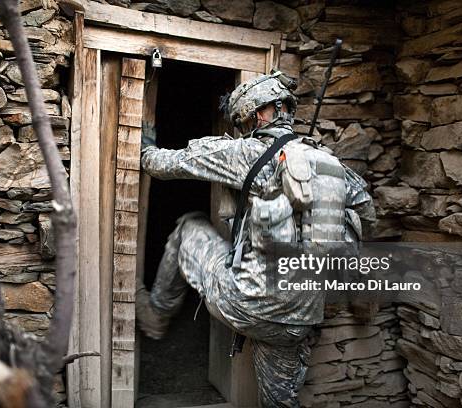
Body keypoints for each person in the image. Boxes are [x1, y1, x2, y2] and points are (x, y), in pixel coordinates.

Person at [136, 72, 376, 407]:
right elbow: (366, 215)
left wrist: (146, 147)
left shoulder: (245, 152)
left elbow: (167, 165)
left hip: (245, 303)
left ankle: (155, 317)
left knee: (189, 226)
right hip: (299, 318)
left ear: (259, 114)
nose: (243, 129)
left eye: (243, 121)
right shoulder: (330, 164)